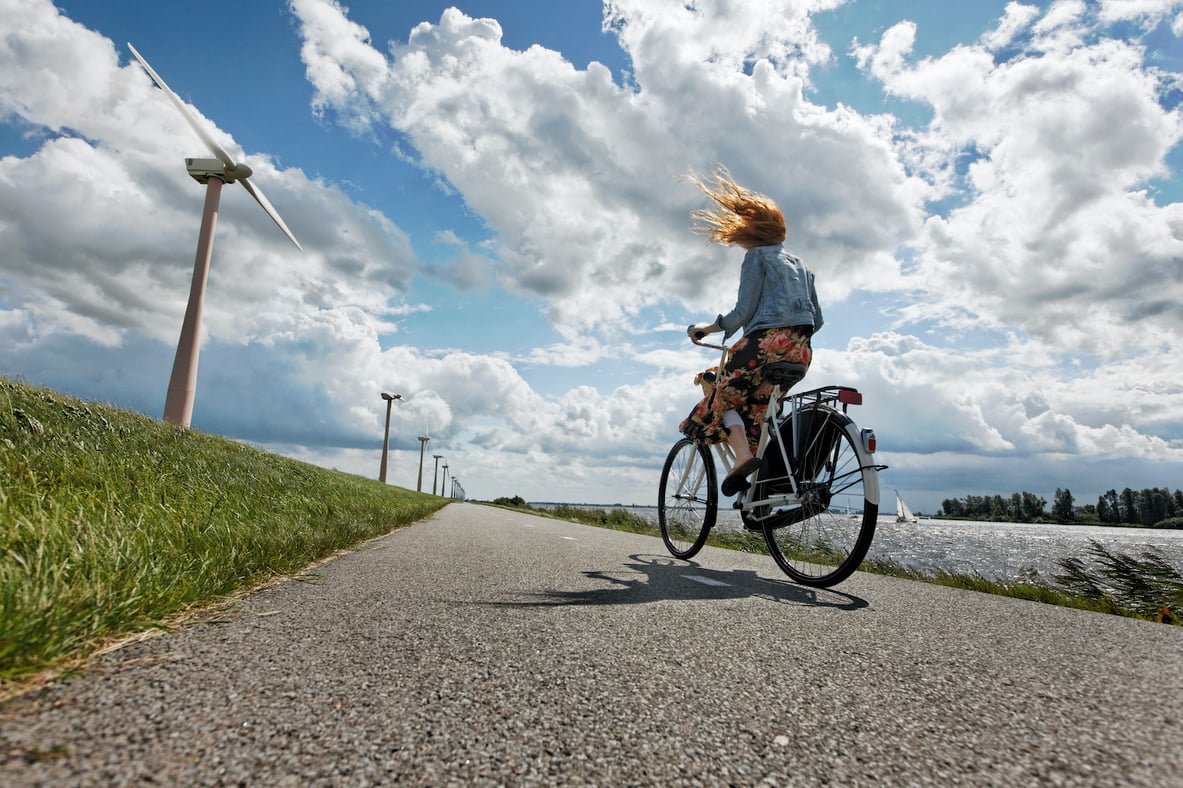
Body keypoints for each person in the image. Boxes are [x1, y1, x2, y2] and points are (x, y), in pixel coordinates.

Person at [679, 168, 823, 496]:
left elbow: (741, 313)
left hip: (764, 347)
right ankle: (756, 490)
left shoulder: (757, 257)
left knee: (720, 393)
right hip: (801, 352)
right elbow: (818, 319)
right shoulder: (802, 265)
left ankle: (742, 456)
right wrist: (791, 337)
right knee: (757, 409)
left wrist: (706, 329)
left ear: (750, 230)